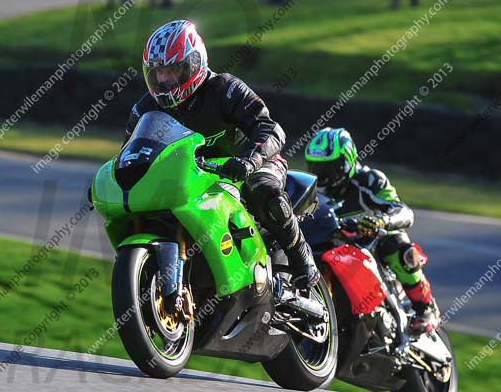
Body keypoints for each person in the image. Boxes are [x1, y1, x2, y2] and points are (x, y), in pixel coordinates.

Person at [124, 20, 319, 292]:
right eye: (157, 73)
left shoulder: (225, 88)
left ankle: (301, 257)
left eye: (173, 69)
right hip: (193, 177)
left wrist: (250, 160)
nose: (164, 80)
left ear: (194, 63)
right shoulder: (145, 107)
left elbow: (270, 128)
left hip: (249, 165)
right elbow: (130, 153)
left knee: (262, 188)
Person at [303, 127, 440, 333]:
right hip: (334, 249)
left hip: (372, 247)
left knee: (397, 245)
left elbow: (403, 212)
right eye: (316, 169)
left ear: (347, 161)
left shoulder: (369, 180)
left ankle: (425, 308)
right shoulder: (312, 193)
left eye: (329, 169)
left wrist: (381, 222)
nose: (323, 177)